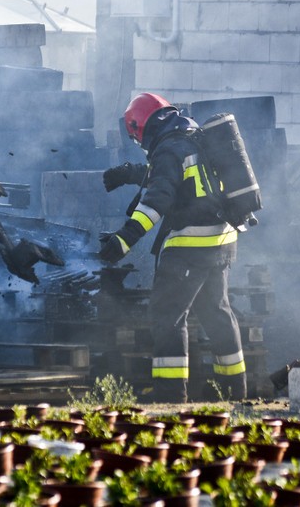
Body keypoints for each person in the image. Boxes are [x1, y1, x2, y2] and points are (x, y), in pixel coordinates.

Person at [99, 92, 247, 403]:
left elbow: (157, 201)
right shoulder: (194, 139)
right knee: (217, 313)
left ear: (143, 129)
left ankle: (170, 398)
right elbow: (181, 180)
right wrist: (130, 174)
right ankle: (233, 394)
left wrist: (122, 240)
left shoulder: (168, 150)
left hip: (190, 246)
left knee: (168, 316)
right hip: (221, 241)